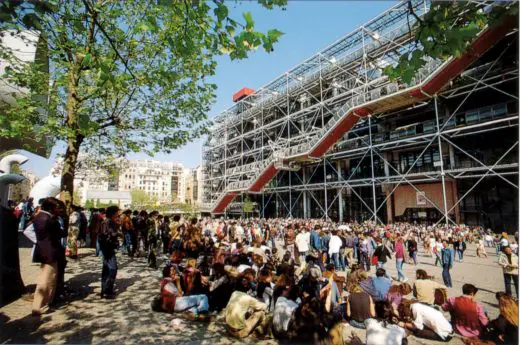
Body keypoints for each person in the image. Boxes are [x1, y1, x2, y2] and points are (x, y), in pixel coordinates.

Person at [31, 197, 63, 316]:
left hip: (44, 250)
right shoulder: (49, 219)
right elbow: (59, 233)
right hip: (50, 252)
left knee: (49, 277)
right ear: (52, 208)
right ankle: (39, 305)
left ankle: (43, 303)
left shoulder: (38, 216)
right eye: (57, 208)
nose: (59, 210)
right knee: (46, 279)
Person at [98, 205, 121, 298]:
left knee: (106, 269)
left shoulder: (106, 221)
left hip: (106, 247)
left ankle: (104, 290)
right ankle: (107, 290)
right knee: (112, 268)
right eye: (117, 212)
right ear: (113, 213)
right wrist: (118, 233)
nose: (118, 213)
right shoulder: (109, 222)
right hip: (108, 247)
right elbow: (110, 233)